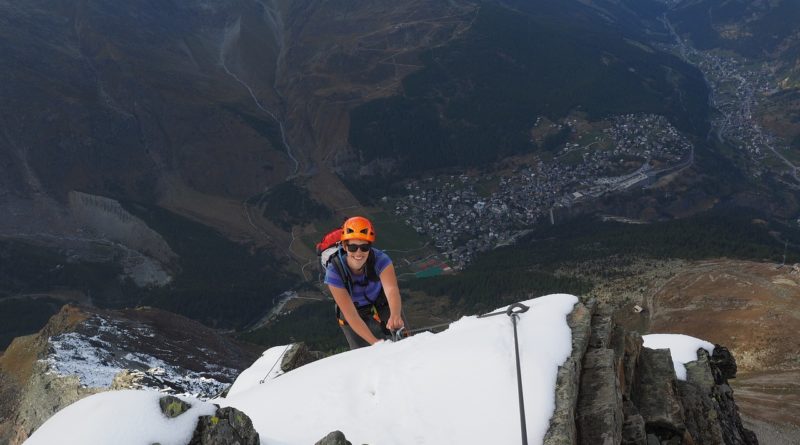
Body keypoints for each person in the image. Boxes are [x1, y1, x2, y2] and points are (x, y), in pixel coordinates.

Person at [324, 216, 405, 349]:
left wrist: (395, 315)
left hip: (380, 300)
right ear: (344, 246)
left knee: (402, 338)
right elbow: (351, 315)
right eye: (353, 247)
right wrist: (375, 343)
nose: (359, 252)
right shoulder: (334, 272)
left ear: (370, 246)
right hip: (352, 309)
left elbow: (391, 290)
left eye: (364, 247)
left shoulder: (381, 260)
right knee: (362, 352)